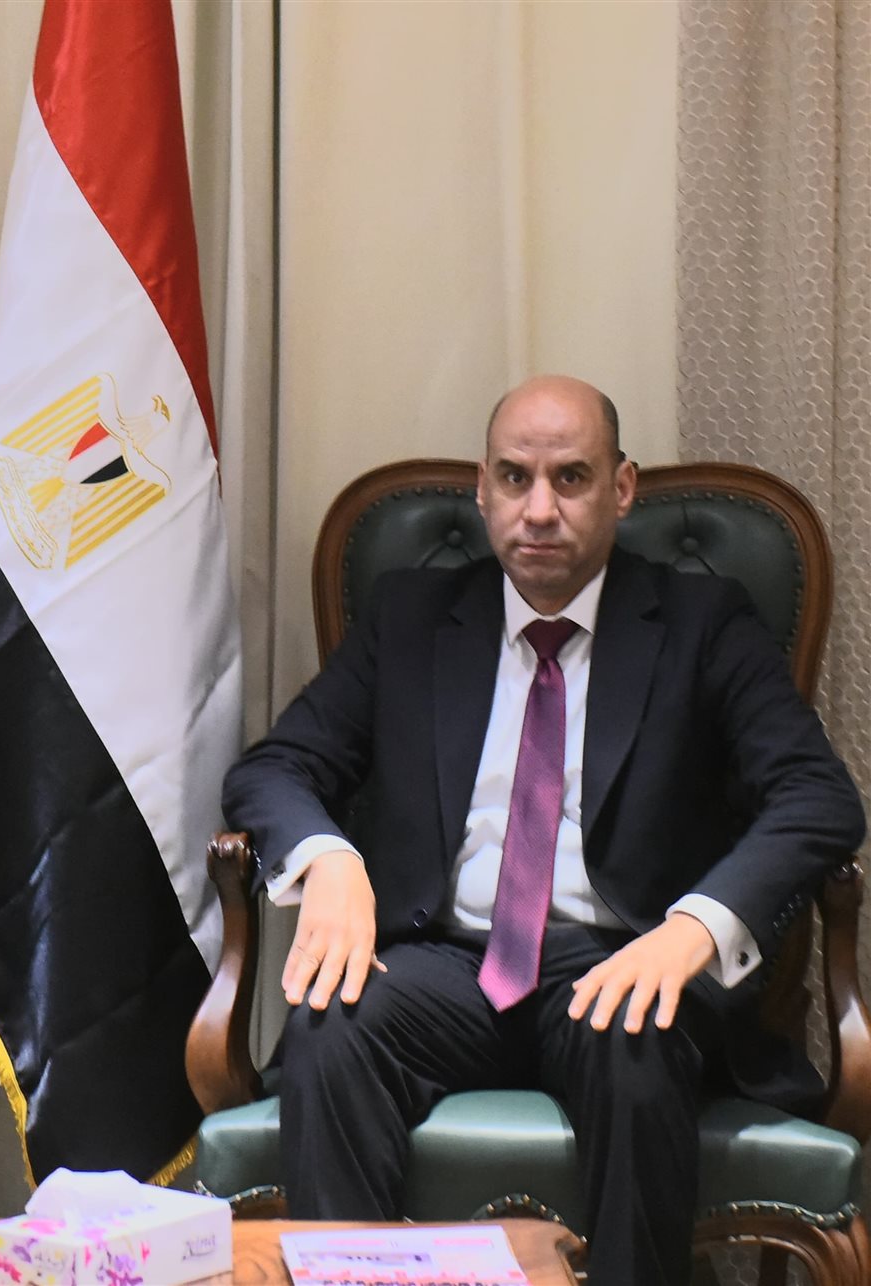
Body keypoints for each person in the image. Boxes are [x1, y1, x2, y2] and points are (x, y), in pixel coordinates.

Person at [222, 375, 865, 1285]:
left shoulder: (702, 622)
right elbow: (274, 769)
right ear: (482, 489)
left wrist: (694, 929)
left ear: (622, 488)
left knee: (634, 1032)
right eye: (515, 478)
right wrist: (330, 863)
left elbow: (816, 797)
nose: (539, 510)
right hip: (444, 964)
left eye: (571, 478)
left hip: (618, 956)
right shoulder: (410, 617)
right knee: (334, 1023)